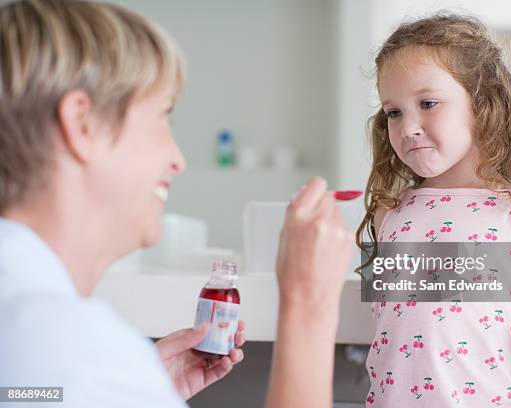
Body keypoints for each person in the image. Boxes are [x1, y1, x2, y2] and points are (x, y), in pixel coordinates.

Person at [0, 1, 352, 407]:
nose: (178, 159)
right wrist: (309, 305)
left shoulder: (47, 345)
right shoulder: (78, 352)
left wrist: (141, 386)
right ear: (84, 125)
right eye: (163, 115)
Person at [355, 13, 511, 407]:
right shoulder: (389, 214)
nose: (408, 128)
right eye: (394, 112)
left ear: (483, 104)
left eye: (427, 103)